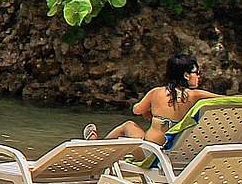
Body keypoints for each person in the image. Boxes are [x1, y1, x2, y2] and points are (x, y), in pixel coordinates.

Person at [84, 54, 215, 145]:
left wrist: (148, 111)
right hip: (180, 153)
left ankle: (97, 148)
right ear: (186, 75)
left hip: (152, 153)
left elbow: (136, 110)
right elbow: (230, 100)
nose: (199, 76)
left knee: (128, 125)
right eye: (197, 73)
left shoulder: (157, 93)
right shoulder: (197, 96)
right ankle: (97, 146)